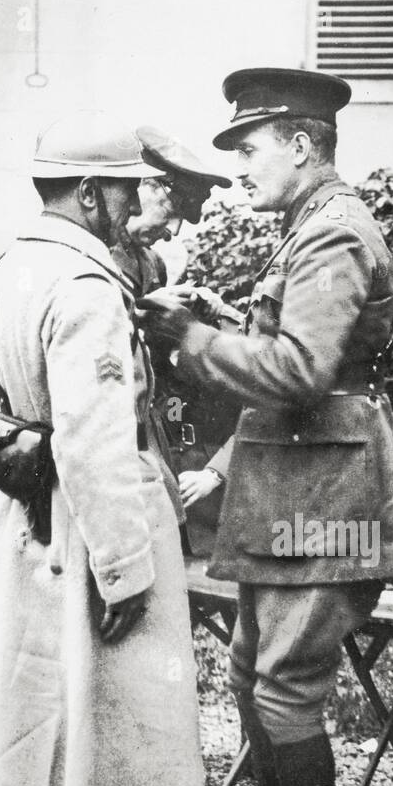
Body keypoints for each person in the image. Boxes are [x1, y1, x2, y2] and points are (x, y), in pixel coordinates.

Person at [140, 67, 393, 786]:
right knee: (254, 673)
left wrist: (190, 339)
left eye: (251, 148)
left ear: (302, 145)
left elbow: (303, 373)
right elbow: (300, 349)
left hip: (329, 495)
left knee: (287, 688)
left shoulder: (334, 232)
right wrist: (228, 320)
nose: (243, 167)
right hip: (295, 487)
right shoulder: (310, 225)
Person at [0, 112, 206, 786]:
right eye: (126, 189)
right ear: (89, 193)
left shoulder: (9, 269)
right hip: (80, 526)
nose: (134, 204)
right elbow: (96, 441)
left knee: (28, 694)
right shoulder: (85, 289)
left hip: (22, 520)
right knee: (68, 700)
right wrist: (123, 567)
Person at [112, 128, 242, 559]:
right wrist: (139, 310)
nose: (172, 232)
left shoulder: (148, 262)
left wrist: (191, 318)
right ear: (143, 187)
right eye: (171, 212)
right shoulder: (90, 255)